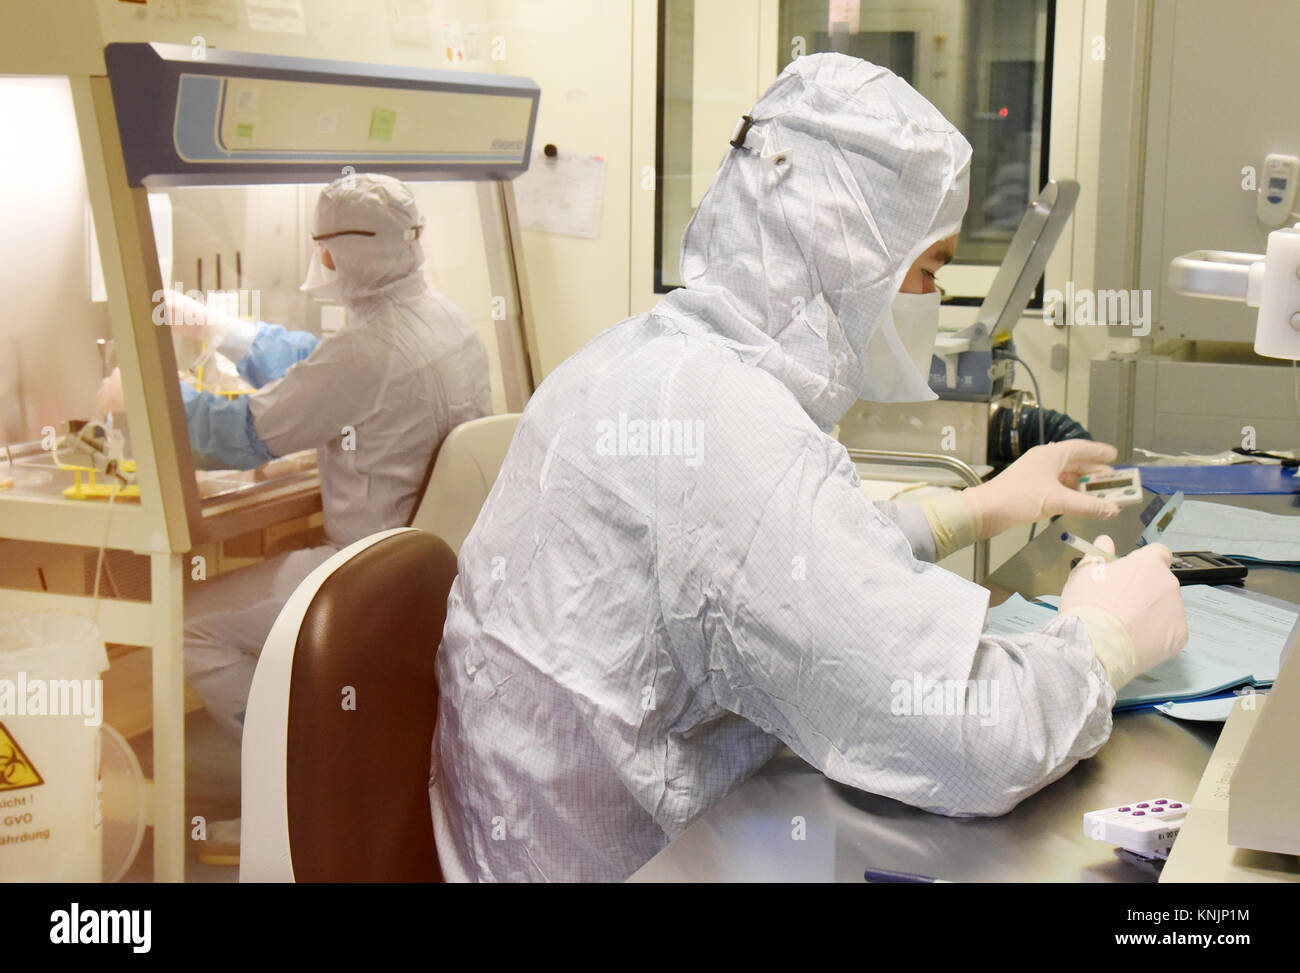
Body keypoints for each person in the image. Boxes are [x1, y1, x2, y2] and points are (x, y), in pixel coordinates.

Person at [429, 54, 1188, 882]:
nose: (934, 299)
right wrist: (1101, 641)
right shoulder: (723, 423)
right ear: (847, 251)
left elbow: (786, 562)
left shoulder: (646, 357)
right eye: (929, 270)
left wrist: (972, 510)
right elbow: (974, 739)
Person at [100, 173, 492, 861]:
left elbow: (243, 432)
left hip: (364, 577)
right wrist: (221, 328)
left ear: (333, 255)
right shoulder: (448, 324)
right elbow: (318, 370)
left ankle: (289, 787)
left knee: (189, 620)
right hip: (433, 576)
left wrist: (136, 396)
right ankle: (311, 769)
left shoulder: (370, 349)